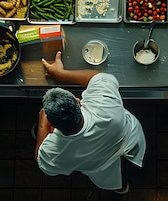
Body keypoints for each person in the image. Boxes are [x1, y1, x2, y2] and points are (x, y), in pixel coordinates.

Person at [35, 51, 146, 195]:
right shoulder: (103, 102)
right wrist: (60, 74)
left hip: (103, 168)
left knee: (116, 179)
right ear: (77, 102)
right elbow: (97, 77)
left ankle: (121, 187)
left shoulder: (54, 152)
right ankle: (122, 185)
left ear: (53, 126)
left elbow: (40, 159)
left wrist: (42, 125)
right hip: (131, 139)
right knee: (124, 171)